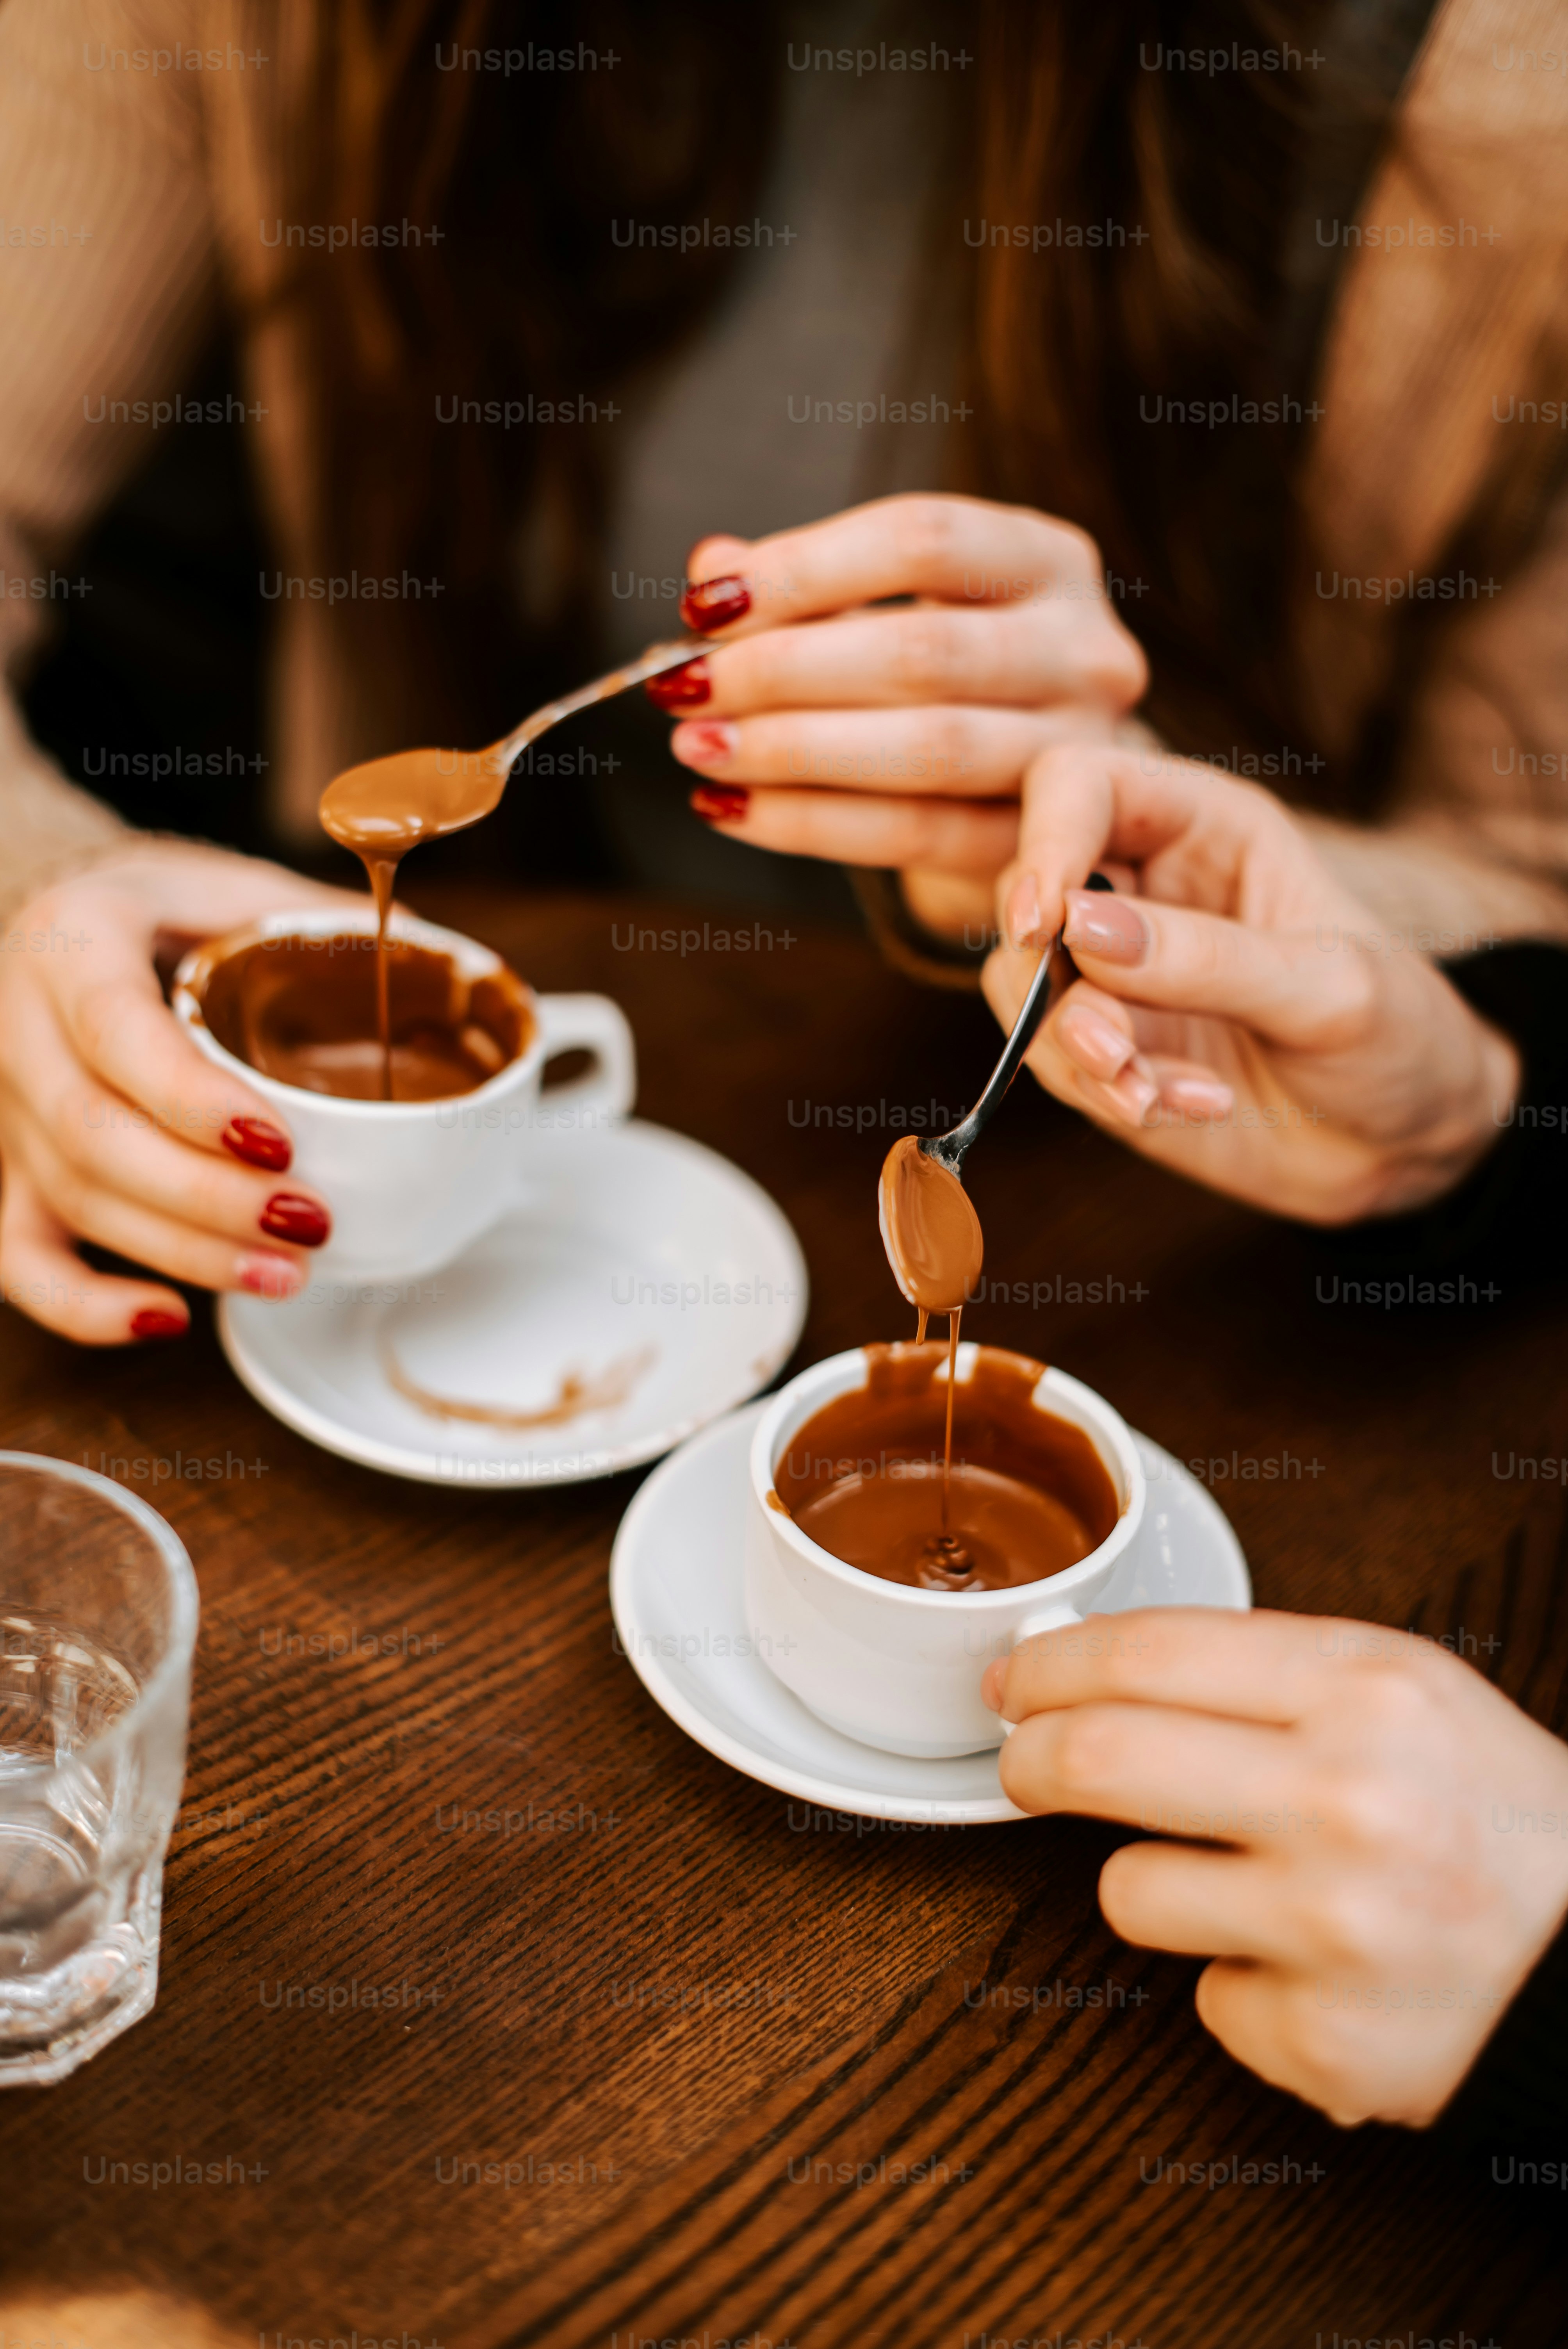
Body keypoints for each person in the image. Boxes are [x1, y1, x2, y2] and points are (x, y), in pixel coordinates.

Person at [4, 0, 1568, 1337]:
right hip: (486, 1182)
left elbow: (1518, 888)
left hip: (1175, 1231)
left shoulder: (1512, 93)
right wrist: (35, 898)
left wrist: (1181, 864)